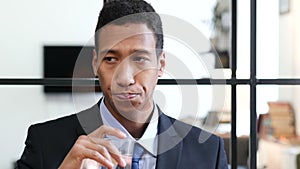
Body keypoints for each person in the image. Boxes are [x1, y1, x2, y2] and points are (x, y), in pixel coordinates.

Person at [16, 0, 228, 168]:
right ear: (95, 63)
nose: (125, 78)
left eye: (139, 59)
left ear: (161, 64)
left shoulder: (209, 151)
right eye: (111, 59)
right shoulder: (45, 143)